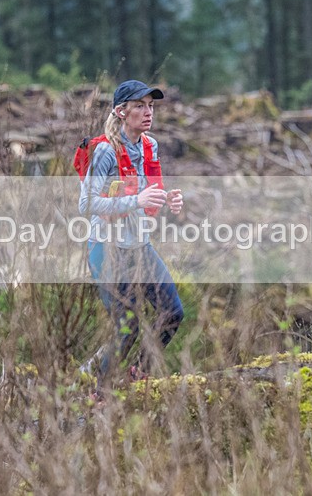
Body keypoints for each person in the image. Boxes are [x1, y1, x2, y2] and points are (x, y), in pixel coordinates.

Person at [78, 79, 185, 394]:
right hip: (107, 248)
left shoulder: (150, 145)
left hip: (140, 246)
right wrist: (136, 200)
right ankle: (93, 392)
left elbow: (148, 194)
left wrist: (168, 199)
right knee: (127, 329)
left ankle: (137, 376)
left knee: (172, 313)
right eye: (140, 106)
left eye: (150, 106)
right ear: (121, 111)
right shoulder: (105, 152)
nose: (148, 112)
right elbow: (87, 204)